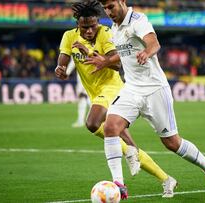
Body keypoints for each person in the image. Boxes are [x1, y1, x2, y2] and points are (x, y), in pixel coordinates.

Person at [91, 0, 205, 199]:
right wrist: (106, 61)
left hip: (155, 89)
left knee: (172, 143)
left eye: (111, 6)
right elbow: (124, 52)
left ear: (122, 2)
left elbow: (154, 43)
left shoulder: (139, 20)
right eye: (105, 8)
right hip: (131, 89)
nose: (108, 12)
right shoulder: (115, 28)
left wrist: (147, 51)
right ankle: (118, 184)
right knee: (110, 127)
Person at [54, 0, 177, 198]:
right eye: (85, 27)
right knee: (125, 143)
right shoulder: (68, 36)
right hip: (94, 93)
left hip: (113, 87)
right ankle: (166, 179)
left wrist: (92, 54)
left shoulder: (105, 33)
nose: (89, 31)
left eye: (93, 26)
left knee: (93, 123)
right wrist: (60, 70)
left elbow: (115, 65)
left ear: (97, 22)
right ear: (78, 25)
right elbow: (63, 62)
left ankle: (123, 174)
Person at [65, 57, 90, 128]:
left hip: (88, 76)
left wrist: (67, 73)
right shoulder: (77, 49)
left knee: (85, 97)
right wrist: (67, 72)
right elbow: (73, 61)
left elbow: (72, 62)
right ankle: (82, 120)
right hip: (84, 75)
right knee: (84, 97)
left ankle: (89, 120)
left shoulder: (77, 49)